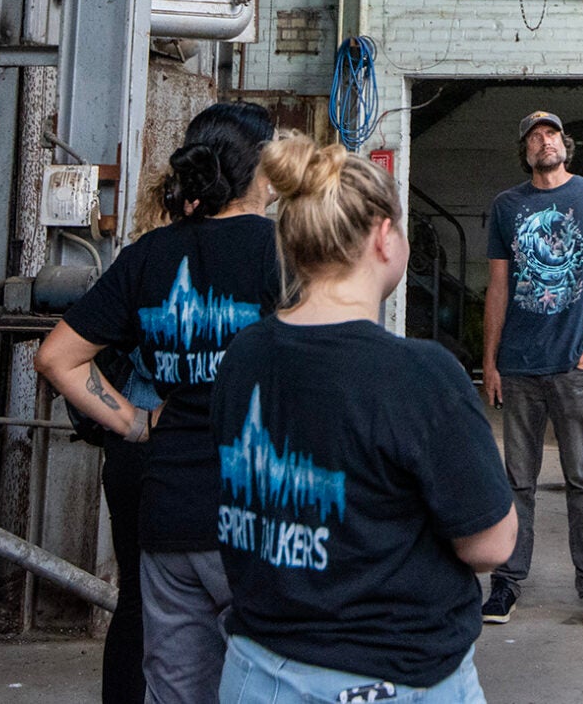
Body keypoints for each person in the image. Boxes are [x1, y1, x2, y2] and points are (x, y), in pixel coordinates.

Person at [211, 137, 517, 704]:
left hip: (255, 671)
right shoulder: (421, 373)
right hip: (388, 679)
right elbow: (492, 546)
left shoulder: (243, 355)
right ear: (384, 237)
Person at [38, 103, 285, 704]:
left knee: (168, 671)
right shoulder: (282, 251)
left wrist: (135, 424)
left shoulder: (149, 254)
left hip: (166, 500)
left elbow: (55, 358)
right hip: (257, 505)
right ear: (259, 168)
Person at [481, 109, 583, 628]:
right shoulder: (507, 206)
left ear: (565, 144)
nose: (544, 142)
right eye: (534, 137)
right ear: (525, 151)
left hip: (573, 364)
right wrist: (490, 361)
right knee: (517, 481)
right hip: (519, 365)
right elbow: (497, 287)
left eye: (551, 134)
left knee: (582, 479)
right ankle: (505, 582)